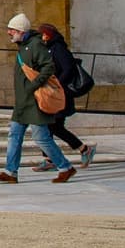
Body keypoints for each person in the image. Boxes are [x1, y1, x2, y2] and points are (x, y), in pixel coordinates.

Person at [0, 12, 76, 184]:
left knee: (41, 138)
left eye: (12, 30)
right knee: (14, 135)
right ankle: (10, 172)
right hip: (23, 102)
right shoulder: (24, 45)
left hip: (35, 102)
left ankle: (65, 167)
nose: (9, 33)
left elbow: (48, 67)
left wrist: (32, 85)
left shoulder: (35, 45)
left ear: (21, 31)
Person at [32, 23, 96, 171]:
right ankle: (51, 159)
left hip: (61, 95)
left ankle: (83, 149)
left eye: (41, 35)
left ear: (47, 35)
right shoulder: (49, 49)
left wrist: (56, 85)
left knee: (54, 126)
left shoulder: (59, 48)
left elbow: (68, 69)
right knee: (50, 126)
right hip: (53, 95)